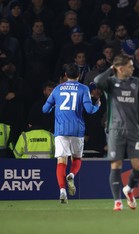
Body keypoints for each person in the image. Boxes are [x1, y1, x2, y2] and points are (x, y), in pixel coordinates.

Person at [94, 54, 139, 211]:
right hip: (115, 129)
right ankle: (117, 201)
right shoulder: (110, 83)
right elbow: (97, 82)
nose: (133, 68)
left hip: (133, 130)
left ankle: (128, 189)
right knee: (116, 165)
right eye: (130, 66)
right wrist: (111, 68)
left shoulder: (135, 82)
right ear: (120, 68)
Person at [42, 63, 101, 204]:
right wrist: (97, 105)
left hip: (61, 130)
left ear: (66, 76)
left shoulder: (57, 89)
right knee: (77, 159)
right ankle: (72, 175)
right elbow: (89, 110)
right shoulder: (83, 89)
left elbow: (45, 109)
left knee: (61, 161)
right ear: (79, 75)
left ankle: (62, 191)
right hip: (77, 130)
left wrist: (54, 106)